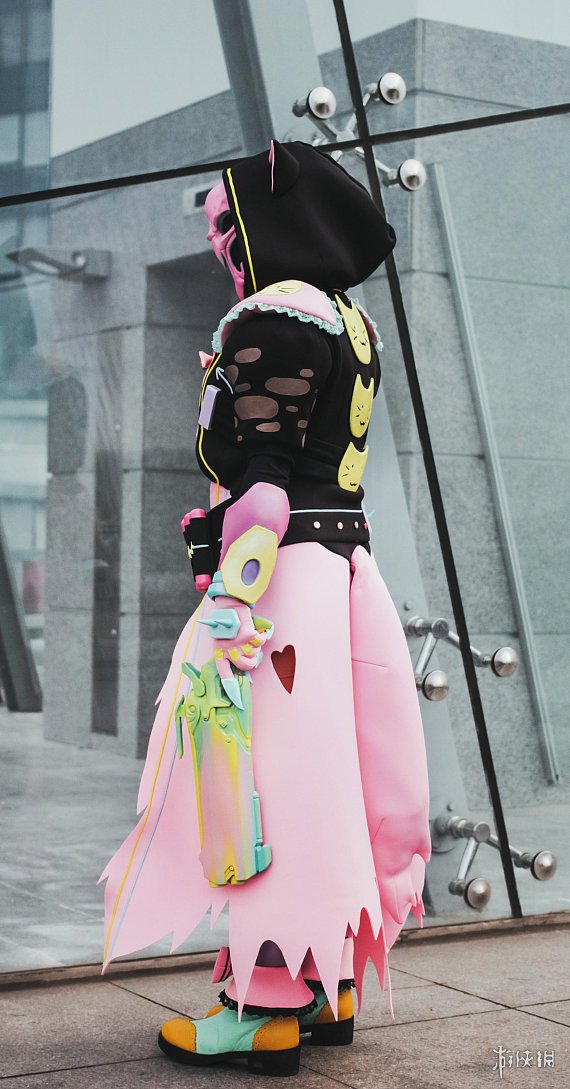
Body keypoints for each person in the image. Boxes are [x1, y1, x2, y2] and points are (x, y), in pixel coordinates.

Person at [100, 139, 432, 1078]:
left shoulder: (270, 313)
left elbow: (265, 485)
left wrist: (228, 599)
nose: (219, 240)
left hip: (282, 584)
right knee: (333, 783)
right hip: (342, 573)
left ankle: (262, 1009)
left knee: (271, 784)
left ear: (267, 221)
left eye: (226, 220)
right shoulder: (348, 320)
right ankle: (328, 982)